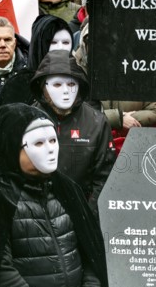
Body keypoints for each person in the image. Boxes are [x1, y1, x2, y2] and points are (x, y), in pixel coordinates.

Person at [0, 103, 108, 287]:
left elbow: (91, 253)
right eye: (38, 143)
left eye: (53, 141)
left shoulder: (67, 189)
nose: (50, 150)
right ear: (13, 147)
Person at [30, 50, 115, 213]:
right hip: (35, 216)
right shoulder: (27, 119)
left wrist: (87, 216)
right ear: (42, 87)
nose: (65, 91)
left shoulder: (96, 122)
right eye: (57, 84)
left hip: (80, 214)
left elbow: (105, 178)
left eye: (71, 84)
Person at [0, 14, 74, 109]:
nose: (60, 48)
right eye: (53, 42)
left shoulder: (78, 78)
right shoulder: (19, 85)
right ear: (40, 45)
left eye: (66, 42)